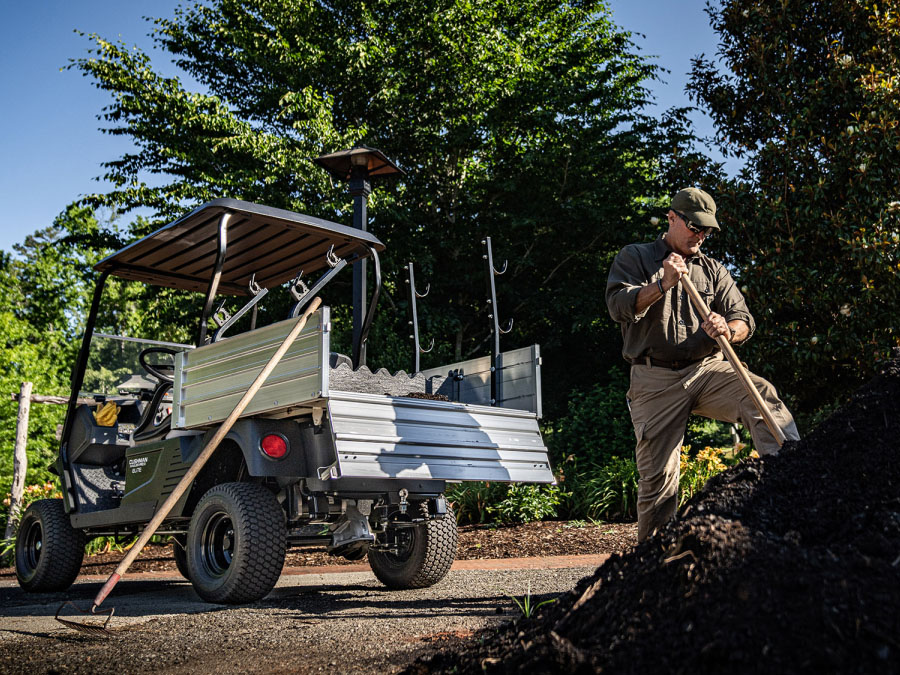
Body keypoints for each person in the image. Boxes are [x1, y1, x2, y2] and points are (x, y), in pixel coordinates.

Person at [606, 187, 800, 541]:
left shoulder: (712, 270)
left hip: (706, 370)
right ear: (672, 218)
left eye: (707, 230)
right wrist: (663, 284)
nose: (701, 236)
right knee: (658, 480)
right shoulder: (636, 257)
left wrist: (729, 329)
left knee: (760, 395)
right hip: (654, 377)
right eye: (695, 227)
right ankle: (653, 561)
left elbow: (744, 319)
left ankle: (791, 488)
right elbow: (619, 306)